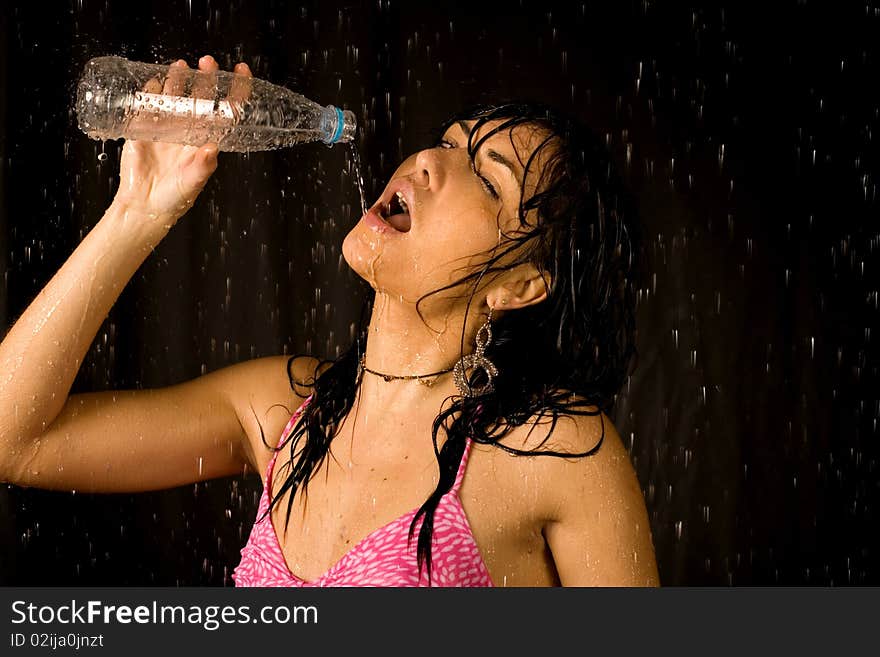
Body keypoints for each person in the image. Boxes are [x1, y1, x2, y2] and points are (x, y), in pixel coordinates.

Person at [0, 54, 660, 587]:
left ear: (519, 286)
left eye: (488, 181)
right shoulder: (280, 412)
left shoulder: (554, 450)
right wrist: (137, 211)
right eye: (446, 144)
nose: (427, 162)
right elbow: (15, 441)